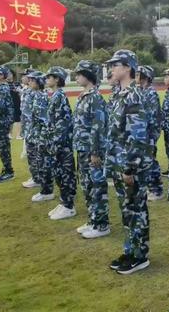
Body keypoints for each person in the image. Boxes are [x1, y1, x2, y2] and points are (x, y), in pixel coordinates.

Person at [105, 50, 154, 275]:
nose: (111, 69)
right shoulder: (118, 94)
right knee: (127, 210)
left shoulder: (134, 95)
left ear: (127, 68)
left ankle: (140, 255)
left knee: (136, 209)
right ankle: (130, 249)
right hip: (119, 163)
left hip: (130, 165)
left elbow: (138, 135)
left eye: (115, 65)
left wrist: (130, 167)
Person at [73, 60, 110, 239]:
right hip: (82, 148)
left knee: (96, 186)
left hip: (91, 150)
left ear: (89, 76)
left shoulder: (95, 98)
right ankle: (93, 219)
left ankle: (102, 224)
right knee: (87, 186)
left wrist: (96, 152)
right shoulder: (83, 96)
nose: (76, 77)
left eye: (80, 73)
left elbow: (98, 127)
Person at [36, 66, 76, 220]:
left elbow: (62, 124)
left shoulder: (59, 96)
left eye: (49, 77)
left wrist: (55, 144)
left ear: (57, 79)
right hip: (56, 143)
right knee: (59, 174)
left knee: (65, 175)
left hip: (62, 144)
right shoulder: (54, 95)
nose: (46, 79)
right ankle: (63, 202)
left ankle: (69, 206)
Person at [137, 65, 164, 201]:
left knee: (151, 161)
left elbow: (152, 116)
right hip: (143, 133)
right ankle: (150, 187)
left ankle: (156, 189)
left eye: (139, 75)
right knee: (145, 161)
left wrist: (150, 135)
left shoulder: (150, 92)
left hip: (149, 133)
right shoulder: (141, 91)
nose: (136, 77)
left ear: (145, 77)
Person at [23, 71, 47, 192]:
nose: (30, 81)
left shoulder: (41, 96)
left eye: (33, 80)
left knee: (38, 159)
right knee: (32, 157)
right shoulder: (33, 94)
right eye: (30, 79)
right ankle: (35, 178)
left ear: (39, 82)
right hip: (31, 132)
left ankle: (39, 180)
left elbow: (40, 118)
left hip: (38, 134)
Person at [7, 69, 22, 140]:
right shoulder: (4, 84)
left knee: (18, 119)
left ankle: (18, 135)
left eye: (10, 74)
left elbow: (21, 92)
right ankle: (9, 134)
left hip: (17, 102)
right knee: (10, 118)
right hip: (8, 102)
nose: (8, 76)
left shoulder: (17, 84)